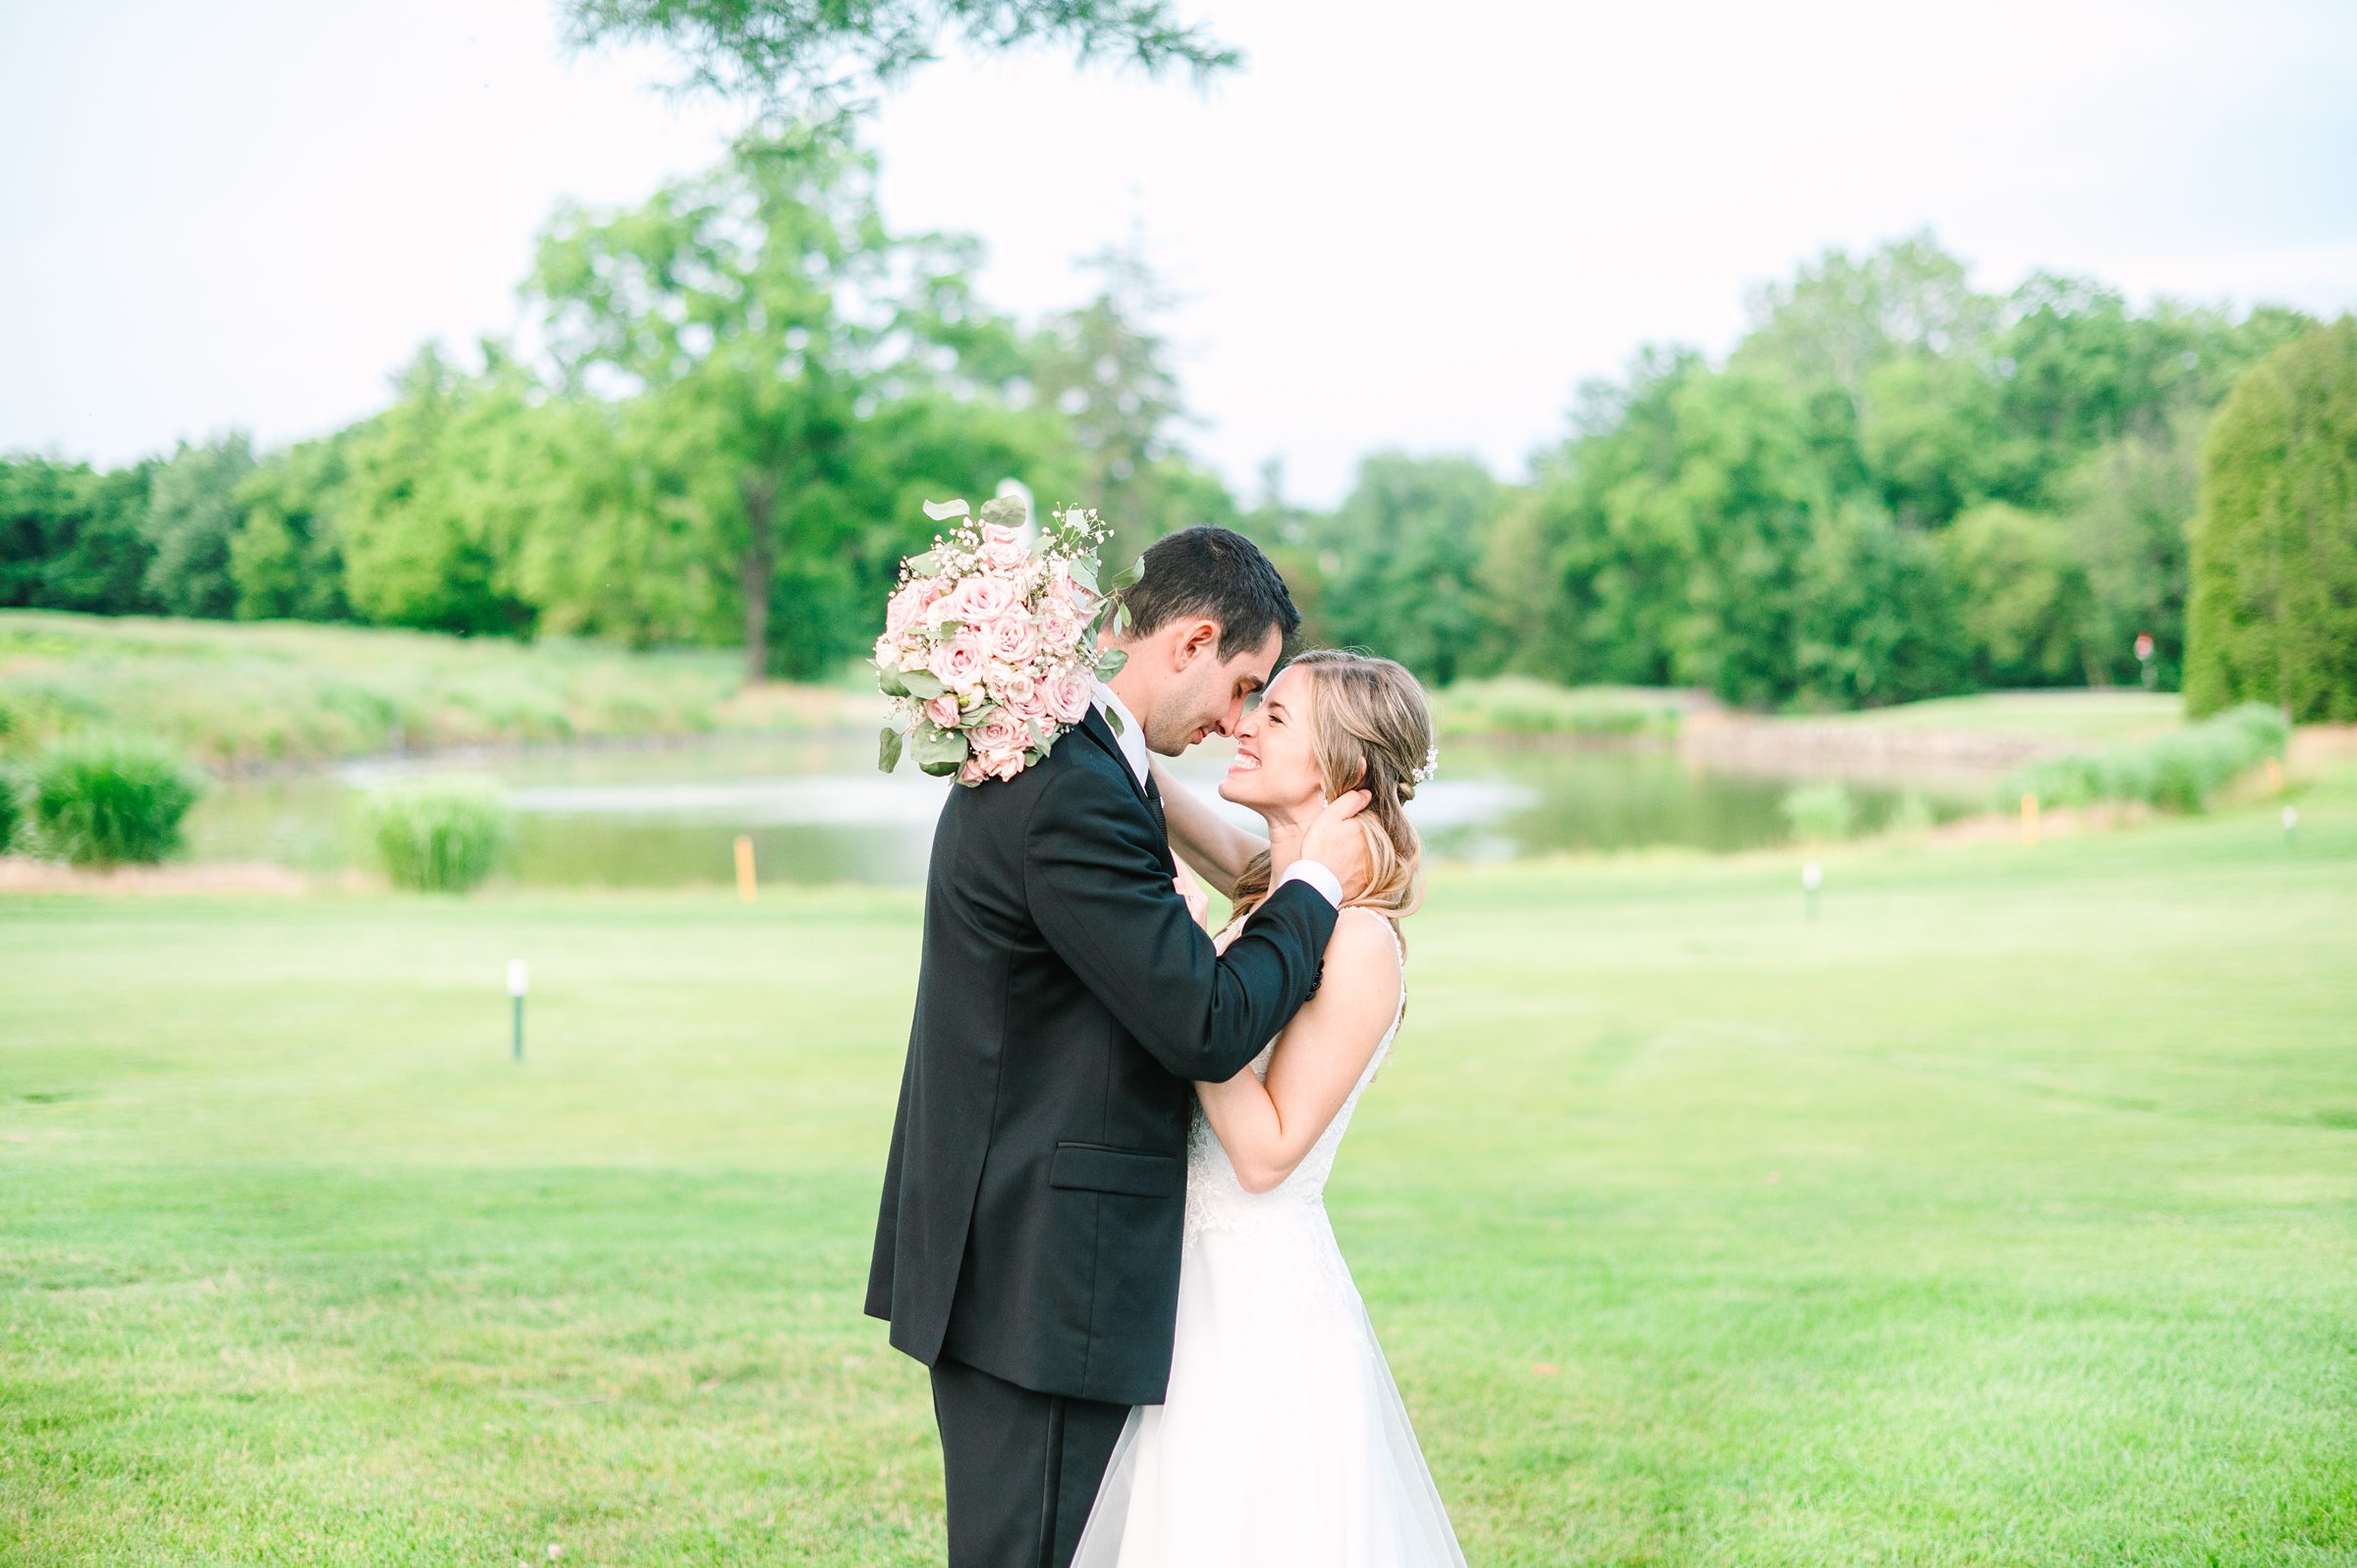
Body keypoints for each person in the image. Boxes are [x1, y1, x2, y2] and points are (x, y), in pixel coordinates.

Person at [865, 526, 1373, 1568]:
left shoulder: (1088, 760)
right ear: (1190, 642)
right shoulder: (1073, 789)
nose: (1237, 723)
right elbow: (1206, 1022)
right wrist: (1319, 879)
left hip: (1021, 1251)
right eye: (1244, 688)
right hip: (1041, 1270)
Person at [1069, 647, 1467, 1567]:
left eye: (1275, 716)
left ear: (1345, 775)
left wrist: (1189, 982)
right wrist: (1069, 701)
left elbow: (1264, 1151)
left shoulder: (1359, 942)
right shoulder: (1278, 892)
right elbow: (1162, 793)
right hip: (1188, 1287)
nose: (1243, 721)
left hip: (1255, 1313)